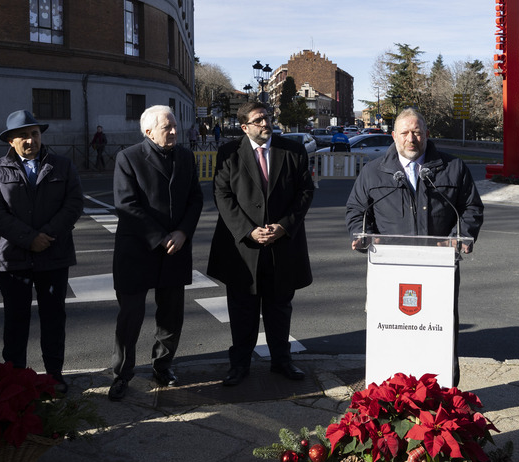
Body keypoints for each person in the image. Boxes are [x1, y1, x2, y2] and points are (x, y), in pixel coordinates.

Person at [344, 108, 483, 386]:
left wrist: (463, 236)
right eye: (405, 133)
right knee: (393, 329)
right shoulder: (374, 172)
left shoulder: (452, 167)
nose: (411, 138)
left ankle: (444, 392)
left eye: (417, 132)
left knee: (439, 329)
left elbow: (471, 207)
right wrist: (362, 236)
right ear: (394, 136)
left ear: (426, 134)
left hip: (439, 268)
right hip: (388, 268)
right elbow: (357, 210)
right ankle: (388, 393)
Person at [207, 102, 314, 386]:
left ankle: (282, 361)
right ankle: (239, 365)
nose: (266, 123)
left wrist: (284, 226)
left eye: (268, 118)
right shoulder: (229, 153)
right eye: (258, 120)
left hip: (282, 246)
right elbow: (222, 194)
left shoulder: (293, 150)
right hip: (243, 249)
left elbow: (305, 192)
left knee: (280, 308)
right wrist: (248, 231)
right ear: (244, 127)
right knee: (243, 309)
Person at [0, 110, 83, 393]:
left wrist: (47, 235)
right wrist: (29, 239)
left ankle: (54, 374)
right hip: (13, 259)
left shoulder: (61, 165)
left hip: (54, 255)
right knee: (16, 321)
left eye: (35, 134)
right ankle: (15, 378)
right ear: (11, 141)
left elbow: (74, 204)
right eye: (23, 136)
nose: (31, 140)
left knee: (54, 319)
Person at [109, 106, 202, 400]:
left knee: (171, 315)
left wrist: (183, 232)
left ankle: (163, 366)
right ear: (148, 132)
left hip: (176, 248)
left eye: (175, 126)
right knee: (130, 316)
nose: (175, 132)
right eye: (167, 127)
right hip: (138, 248)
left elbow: (195, 198)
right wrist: (160, 237)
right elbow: (126, 205)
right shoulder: (129, 157)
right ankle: (122, 374)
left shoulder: (185, 156)